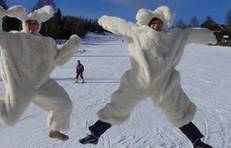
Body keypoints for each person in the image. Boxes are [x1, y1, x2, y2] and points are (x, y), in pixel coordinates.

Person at [79, 6, 216, 148]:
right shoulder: (137, 32)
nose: (157, 25)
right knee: (119, 107)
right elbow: (120, 25)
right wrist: (104, 20)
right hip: (139, 80)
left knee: (178, 112)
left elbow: (188, 34)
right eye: (155, 22)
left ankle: (197, 142)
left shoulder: (172, 37)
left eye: (160, 23)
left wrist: (209, 36)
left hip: (163, 84)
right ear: (149, 23)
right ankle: (94, 135)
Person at [0, 5, 81, 141]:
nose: (32, 26)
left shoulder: (47, 42)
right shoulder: (13, 38)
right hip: (20, 86)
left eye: (34, 23)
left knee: (65, 104)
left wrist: (72, 45)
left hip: (42, 83)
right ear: (24, 24)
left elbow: (58, 60)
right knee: (9, 120)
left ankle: (55, 128)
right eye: (29, 23)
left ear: (39, 25)